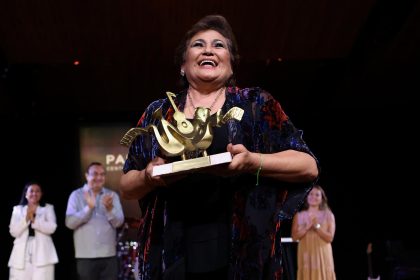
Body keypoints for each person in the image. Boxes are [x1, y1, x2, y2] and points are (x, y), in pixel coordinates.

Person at [120, 14, 319, 280]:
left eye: (219, 45)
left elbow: (308, 166)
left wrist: (252, 161)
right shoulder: (160, 112)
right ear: (182, 65)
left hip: (245, 252)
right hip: (172, 255)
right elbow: (127, 185)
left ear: (231, 65)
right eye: (198, 44)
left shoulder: (256, 105)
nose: (208, 49)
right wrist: (148, 176)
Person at [65, 162, 125, 280]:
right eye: (95, 174)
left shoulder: (112, 195)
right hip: (85, 256)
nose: (99, 177)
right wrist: (89, 208)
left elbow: (119, 223)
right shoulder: (76, 195)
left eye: (102, 174)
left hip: (109, 256)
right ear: (86, 175)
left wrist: (109, 210)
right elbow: (69, 223)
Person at [8, 181, 59, 280]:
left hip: (43, 253)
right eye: (31, 191)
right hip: (21, 254)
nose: (34, 194)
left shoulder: (48, 208)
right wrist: (26, 219)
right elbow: (13, 231)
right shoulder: (17, 209)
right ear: (26, 193)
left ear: (41, 194)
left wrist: (34, 220)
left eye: (37, 191)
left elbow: (52, 228)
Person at [291, 184, 336, 280]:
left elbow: (330, 238)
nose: (313, 197)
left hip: (322, 254)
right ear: (306, 196)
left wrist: (317, 226)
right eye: (310, 194)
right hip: (306, 253)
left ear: (322, 198)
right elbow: (294, 237)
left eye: (317, 195)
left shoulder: (328, 215)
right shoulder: (299, 216)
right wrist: (306, 227)